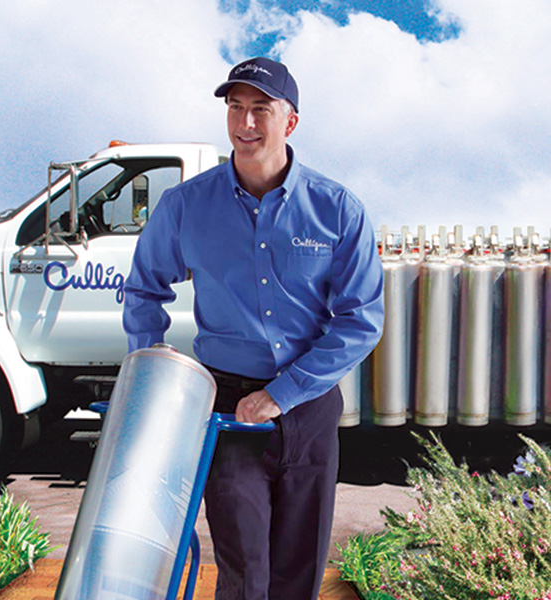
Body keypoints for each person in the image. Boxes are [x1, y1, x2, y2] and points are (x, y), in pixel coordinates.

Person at [123, 56, 384, 600]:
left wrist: (282, 393)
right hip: (228, 411)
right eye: (235, 108)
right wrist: (157, 378)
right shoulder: (186, 207)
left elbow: (361, 319)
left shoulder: (337, 210)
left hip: (308, 407)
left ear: (289, 121)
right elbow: (146, 290)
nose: (245, 123)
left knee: (299, 567)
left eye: (260, 109)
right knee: (244, 567)